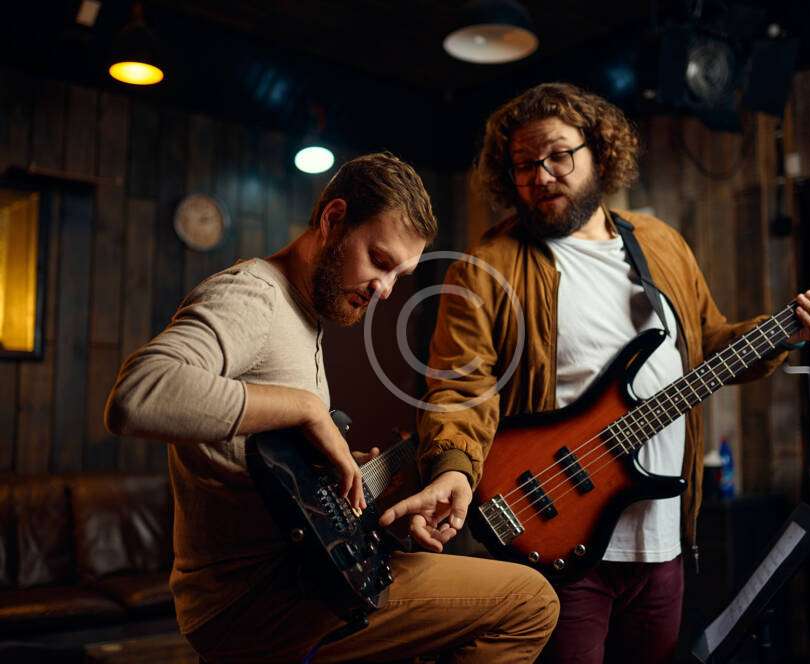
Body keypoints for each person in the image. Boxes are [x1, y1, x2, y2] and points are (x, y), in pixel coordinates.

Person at [381, 84, 810, 664]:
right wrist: (453, 467)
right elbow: (460, 386)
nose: (542, 176)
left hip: (663, 538)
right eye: (523, 165)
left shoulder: (660, 244)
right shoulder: (488, 263)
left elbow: (707, 345)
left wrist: (786, 330)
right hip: (556, 534)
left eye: (558, 155)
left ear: (598, 151)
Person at [105, 152, 559, 663]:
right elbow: (138, 395)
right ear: (332, 218)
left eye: (398, 276)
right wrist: (306, 409)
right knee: (531, 601)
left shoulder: (307, 315)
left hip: (300, 578)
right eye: (380, 262)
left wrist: (346, 483)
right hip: (257, 602)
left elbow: (266, 466)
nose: (384, 290)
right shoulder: (253, 296)